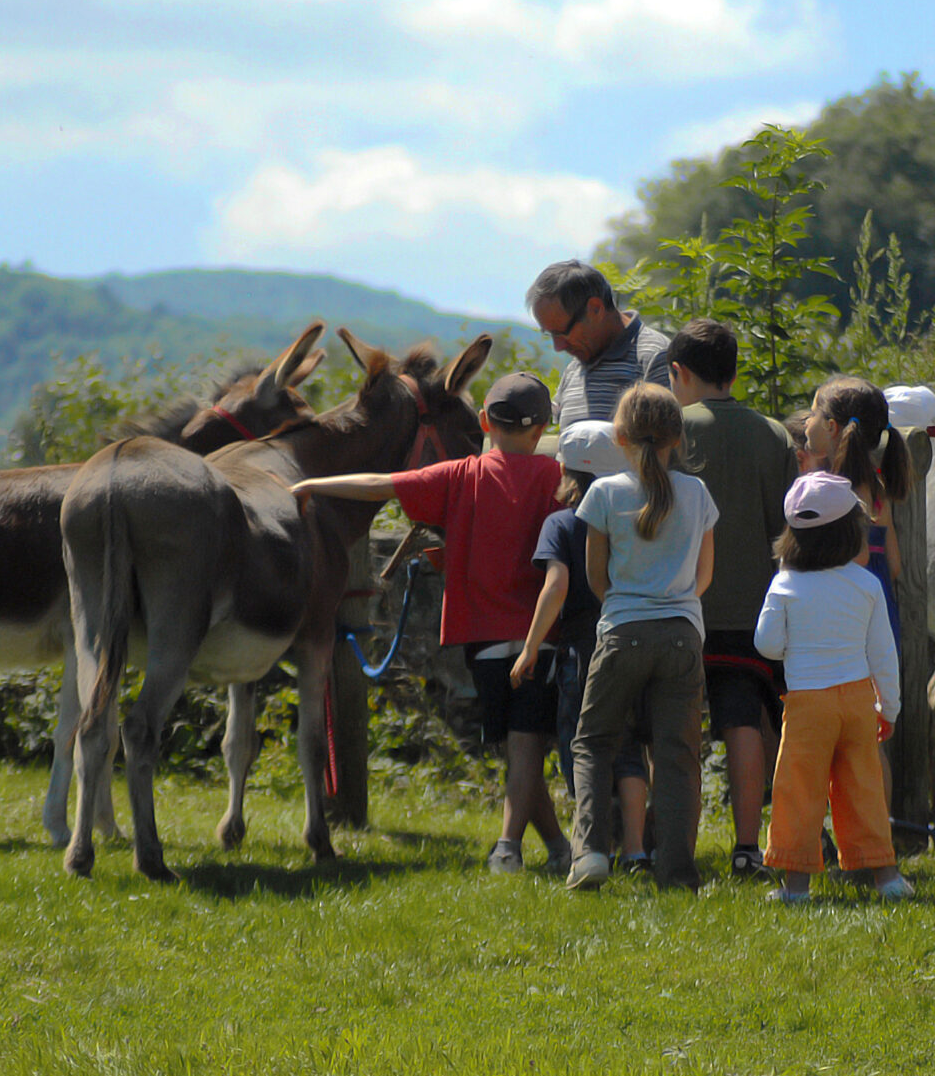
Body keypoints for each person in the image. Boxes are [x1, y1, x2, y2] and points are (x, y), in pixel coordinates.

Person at [293, 372, 568, 876]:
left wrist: (311, 481)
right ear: (543, 427)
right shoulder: (556, 479)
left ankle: (509, 846)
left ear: (484, 421)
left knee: (518, 744)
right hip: (541, 632)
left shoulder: (460, 474)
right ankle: (557, 848)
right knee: (524, 743)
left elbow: (381, 484)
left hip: (480, 632)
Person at [565, 383, 719, 892]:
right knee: (677, 759)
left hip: (622, 630)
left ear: (619, 436)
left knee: (593, 742)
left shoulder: (604, 493)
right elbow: (704, 577)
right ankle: (677, 873)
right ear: (678, 436)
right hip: (681, 635)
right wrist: (676, 602)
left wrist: (627, 603)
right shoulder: (697, 495)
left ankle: (590, 852)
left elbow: (596, 577)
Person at [667, 319, 799, 880]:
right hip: (755, 604)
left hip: (680, 602)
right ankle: (749, 846)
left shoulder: (673, 429)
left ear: (679, 373)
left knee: (674, 729)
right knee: (744, 720)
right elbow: (786, 526)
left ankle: (673, 845)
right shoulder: (773, 433)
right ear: (734, 373)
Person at [755, 472, 910, 904]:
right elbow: (884, 654)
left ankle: (797, 886)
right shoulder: (867, 585)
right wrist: (889, 709)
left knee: (799, 792)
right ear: (850, 532)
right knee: (864, 787)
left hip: (807, 704)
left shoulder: (785, 584)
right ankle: (887, 877)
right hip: (859, 701)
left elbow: (765, 644)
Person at [513, 419, 653, 870]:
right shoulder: (636, 515)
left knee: (584, 744)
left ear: (569, 473)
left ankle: (593, 846)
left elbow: (556, 585)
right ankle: (635, 849)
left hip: (582, 650)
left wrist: (531, 646)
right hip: (633, 637)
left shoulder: (561, 522)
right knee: (629, 746)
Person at [803, 377, 912, 649]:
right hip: (881, 619)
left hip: (841, 623)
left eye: (813, 413)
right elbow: (894, 566)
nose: (806, 421)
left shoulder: (824, 494)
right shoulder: (877, 493)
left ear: (831, 427)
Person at [525, 260, 672, 427]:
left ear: (596, 309)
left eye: (562, 333)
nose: (558, 347)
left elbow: (666, 443)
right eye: (551, 334)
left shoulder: (655, 357)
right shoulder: (574, 368)